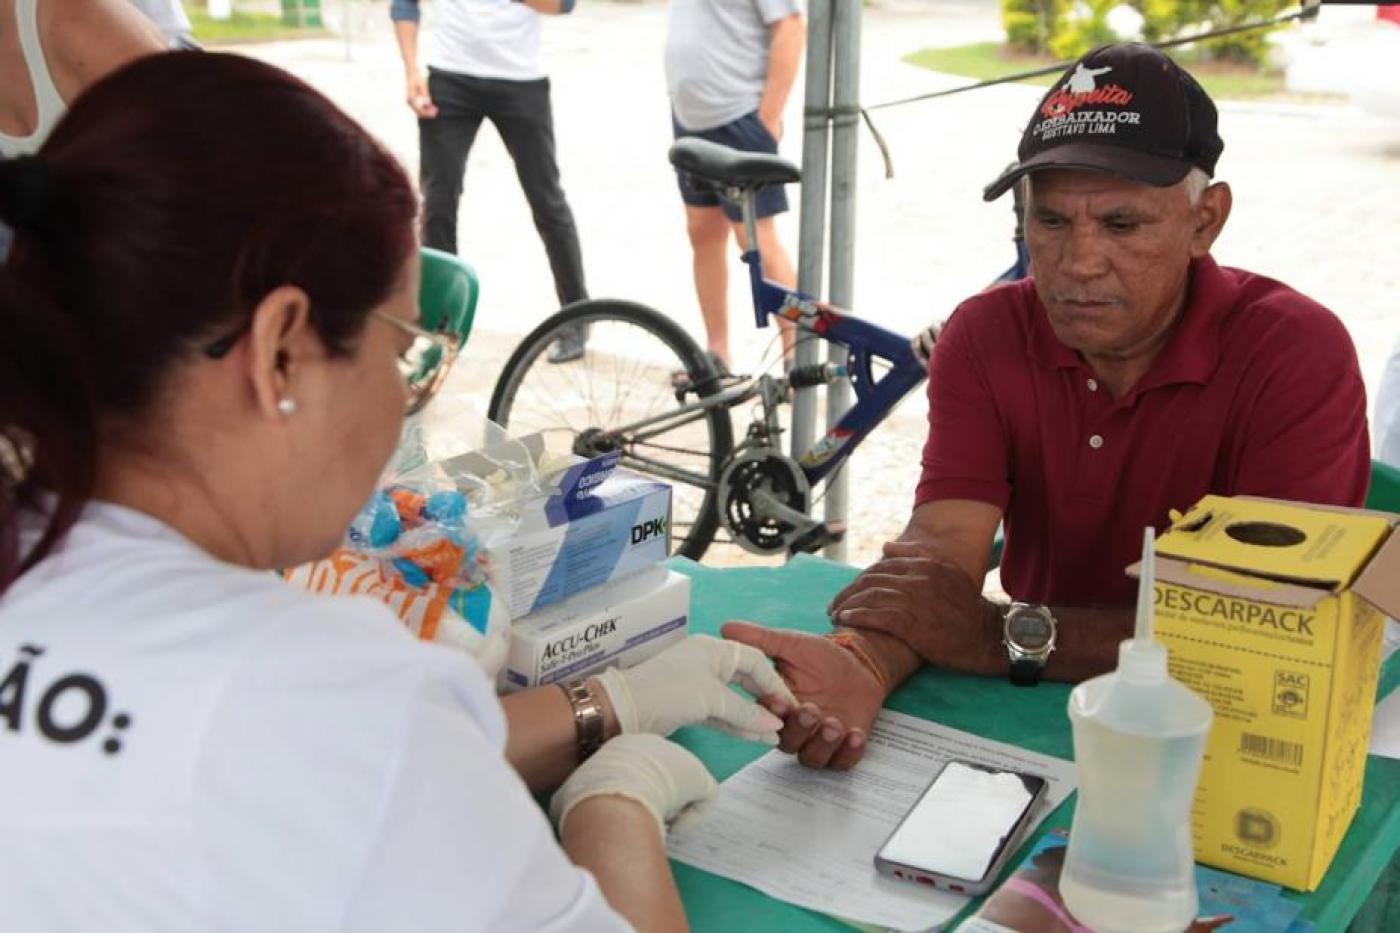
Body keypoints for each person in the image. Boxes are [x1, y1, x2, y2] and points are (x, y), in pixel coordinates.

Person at [0, 52, 794, 930]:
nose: (404, 402)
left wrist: (611, 702)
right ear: (281, 352)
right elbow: (343, 755)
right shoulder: (325, 689)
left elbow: (311, 768)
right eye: (401, 351)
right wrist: (618, 800)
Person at [726, 42, 1371, 769]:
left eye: (1122, 225)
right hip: (1040, 708)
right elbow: (944, 550)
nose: (1077, 261)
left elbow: (1267, 630)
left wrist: (1009, 634)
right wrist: (862, 660)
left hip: (1236, 731)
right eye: (1052, 221)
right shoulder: (987, 332)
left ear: (1205, 221)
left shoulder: (1295, 352)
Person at [390, 0, 590, 364]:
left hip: (521, 81)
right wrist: (411, 70)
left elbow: (564, 4)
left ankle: (577, 318)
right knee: (438, 201)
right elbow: (405, 4)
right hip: (450, 78)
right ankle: (439, 325)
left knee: (547, 200)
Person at [665, 0, 804, 370]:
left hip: (739, 118)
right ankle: (717, 352)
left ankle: (796, 353)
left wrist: (769, 116)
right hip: (691, 118)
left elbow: (790, 26)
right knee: (702, 233)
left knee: (756, 238)